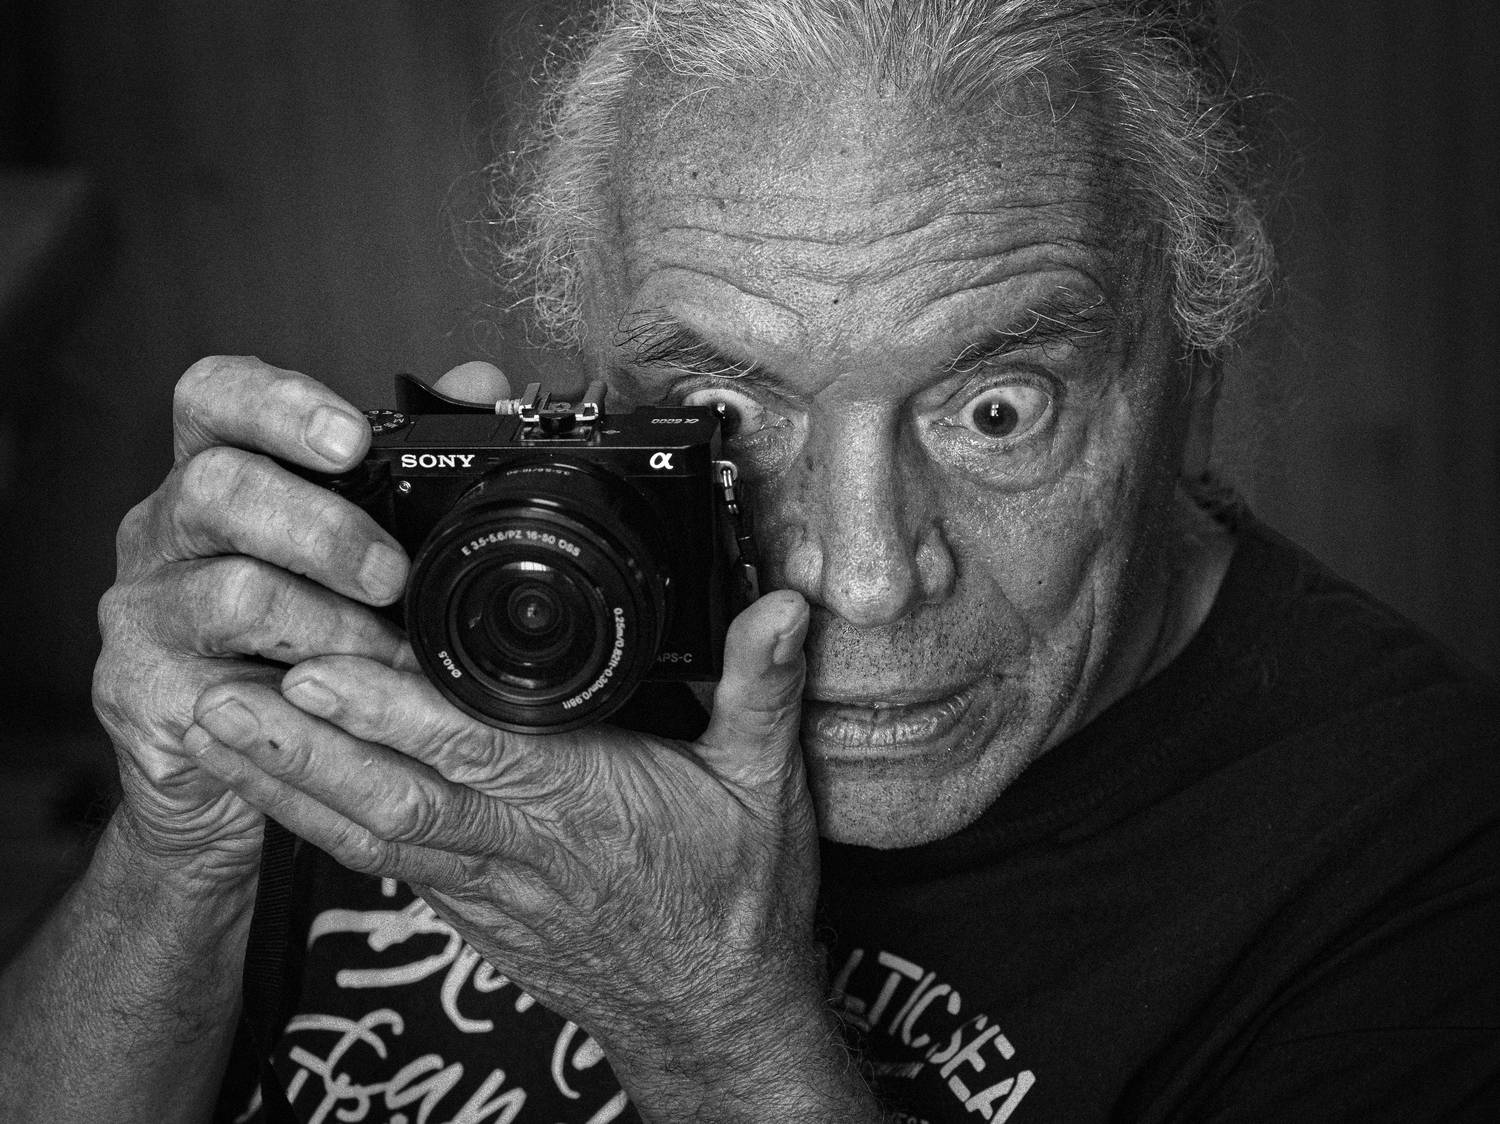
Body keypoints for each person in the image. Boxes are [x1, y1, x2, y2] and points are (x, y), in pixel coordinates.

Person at [2, 1, 1497, 1120]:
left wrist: (711, 1023)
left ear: (1193, 351)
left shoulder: (1421, 858)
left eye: (998, 410)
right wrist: (177, 853)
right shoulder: (476, 595)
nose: (864, 577)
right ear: (588, 370)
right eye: (727, 416)